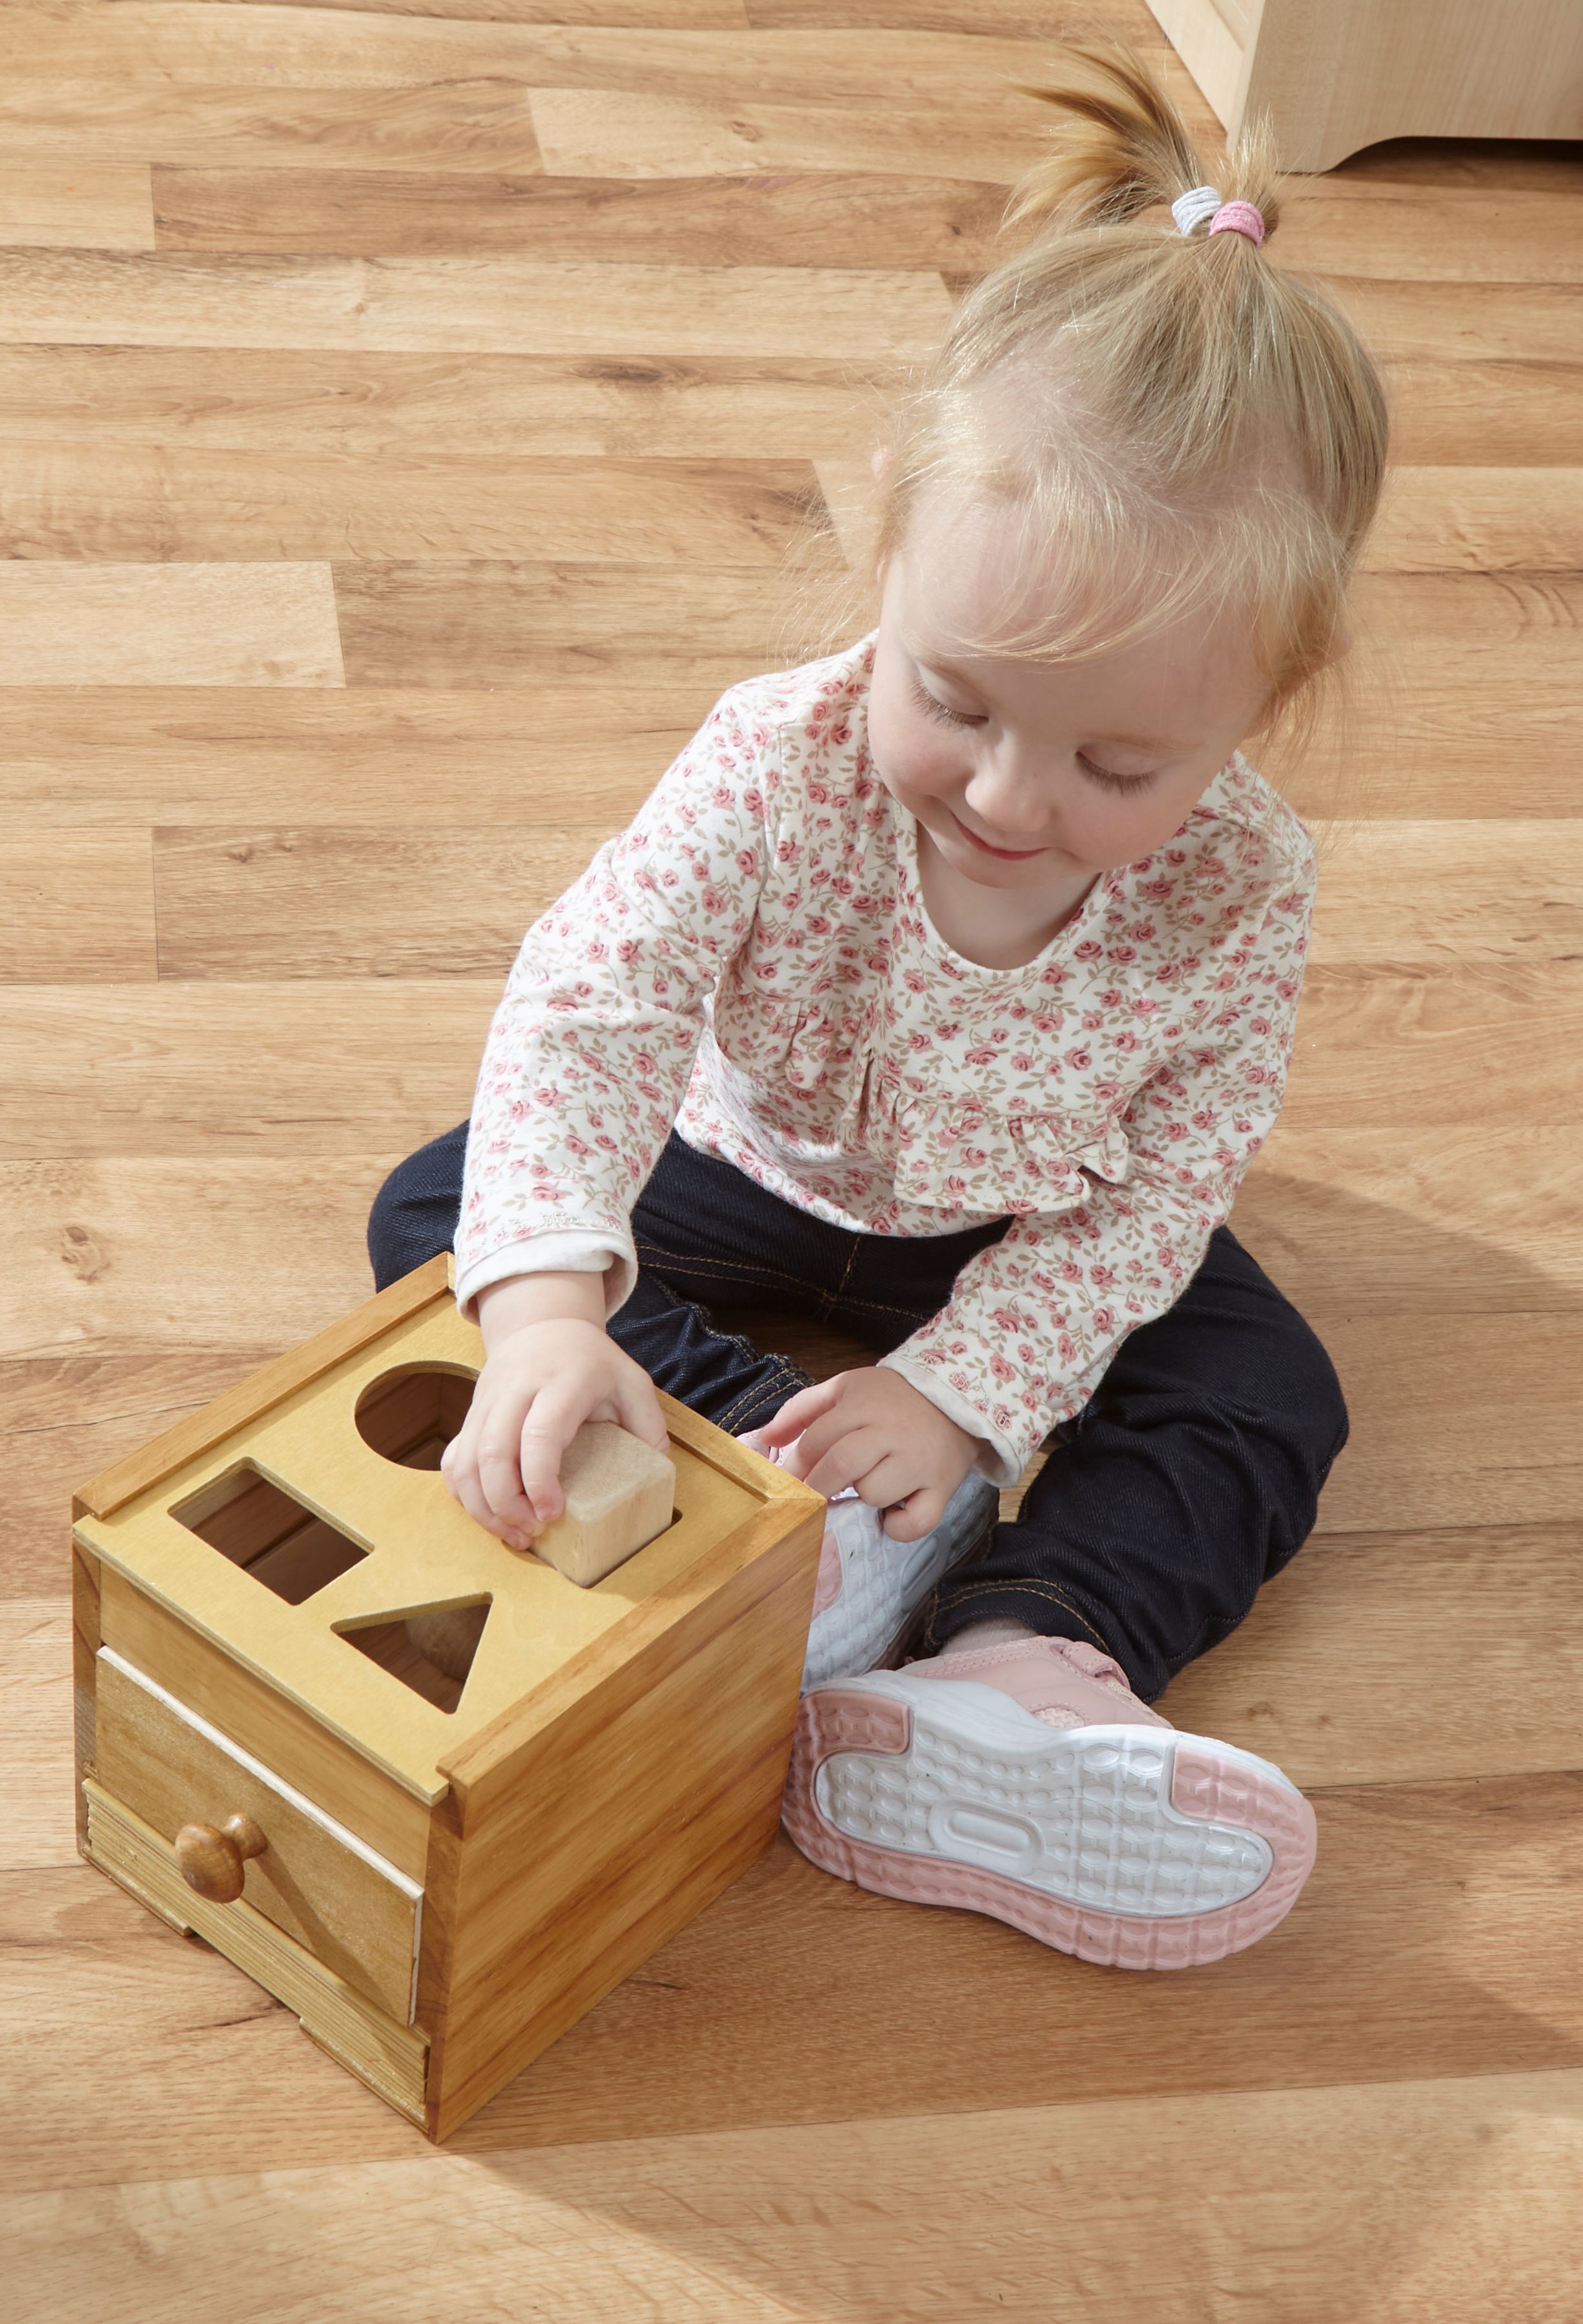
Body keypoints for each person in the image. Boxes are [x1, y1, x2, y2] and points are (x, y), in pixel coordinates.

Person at [366, 47, 1384, 1971]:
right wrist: (552, 1316)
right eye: (961, 701)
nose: (1010, 801)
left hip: (1018, 1224)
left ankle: (1020, 1657)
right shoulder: (775, 757)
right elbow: (593, 1010)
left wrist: (972, 1392)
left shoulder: (1247, 881)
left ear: (1259, 715)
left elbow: (1160, 1194)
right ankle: (799, 1509)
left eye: (1116, 762)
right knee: (449, 1215)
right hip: (750, 1162)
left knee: (1268, 1388)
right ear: (886, 560)